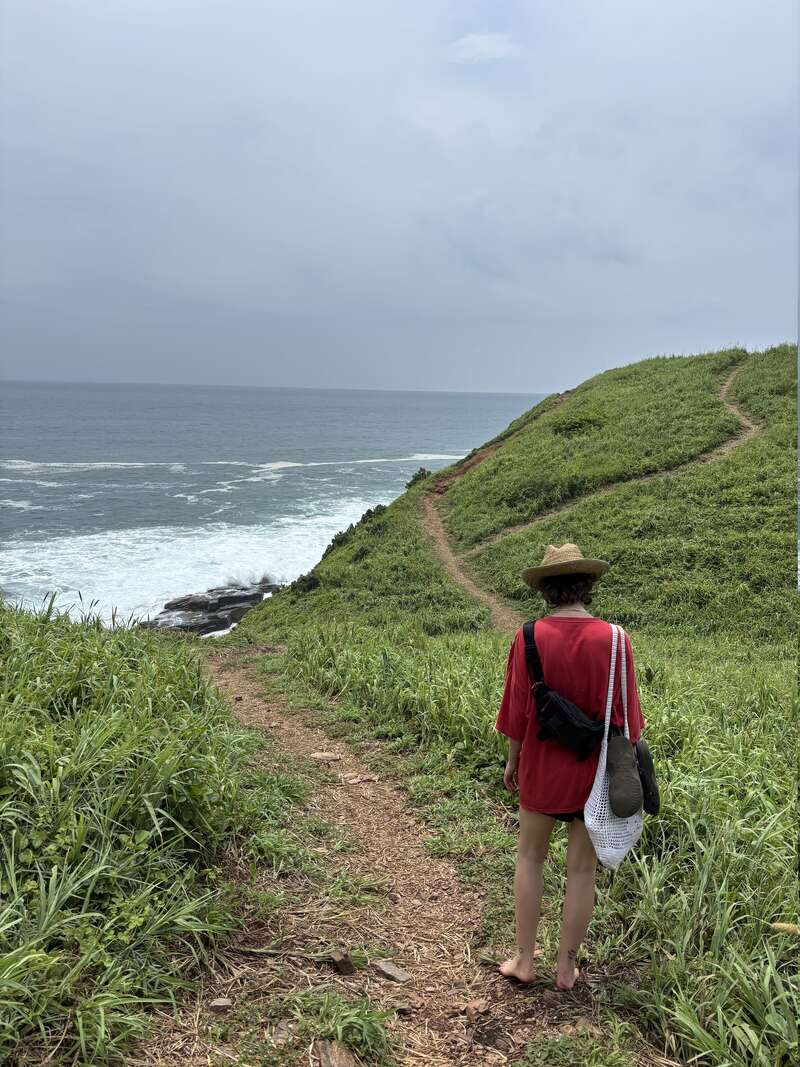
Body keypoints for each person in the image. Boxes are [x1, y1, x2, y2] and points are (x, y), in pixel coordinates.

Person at [496, 543, 643, 990]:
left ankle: (524, 961)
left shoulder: (528, 637)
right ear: (587, 585)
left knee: (530, 857)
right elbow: (630, 720)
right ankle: (566, 967)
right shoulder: (615, 639)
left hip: (542, 768)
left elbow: (516, 711)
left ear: (546, 590)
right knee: (581, 870)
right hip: (594, 773)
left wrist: (513, 760)